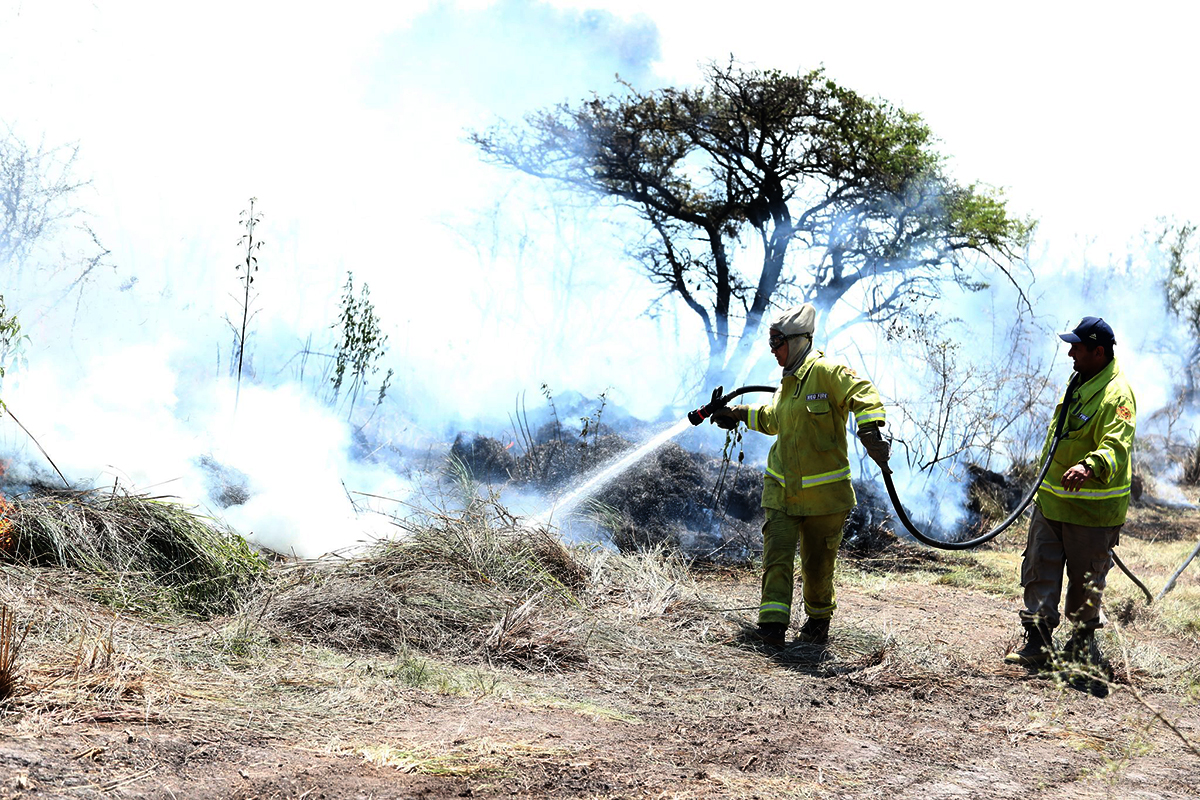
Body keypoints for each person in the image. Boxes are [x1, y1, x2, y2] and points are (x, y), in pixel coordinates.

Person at [710, 303, 890, 647]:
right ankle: (772, 627)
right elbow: (774, 420)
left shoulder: (826, 372)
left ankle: (818, 622)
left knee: (817, 569)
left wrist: (869, 430)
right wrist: (736, 414)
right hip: (781, 490)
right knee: (776, 557)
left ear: (796, 341)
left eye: (777, 343)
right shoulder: (787, 383)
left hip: (825, 499)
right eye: (771, 343)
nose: (772, 351)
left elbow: (864, 393)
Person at [1005, 316, 1137, 668]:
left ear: (1098, 351)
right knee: (1039, 568)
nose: (1069, 353)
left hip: (1090, 513)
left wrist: (1090, 465)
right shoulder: (1080, 380)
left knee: (1085, 582)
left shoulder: (1117, 394)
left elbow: (1116, 444)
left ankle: (1081, 647)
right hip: (1051, 502)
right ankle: (1038, 644)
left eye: (1076, 347)